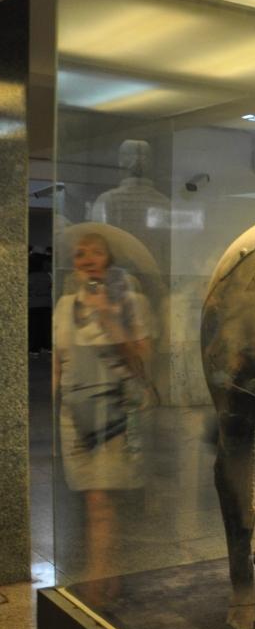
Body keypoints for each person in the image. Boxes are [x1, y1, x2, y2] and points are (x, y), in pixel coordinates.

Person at [53, 231, 154, 602]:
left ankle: (99, 579)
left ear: (109, 260)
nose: (88, 259)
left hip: (114, 410)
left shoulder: (131, 302)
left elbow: (143, 359)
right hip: (74, 415)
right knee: (91, 499)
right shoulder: (65, 305)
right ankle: (111, 573)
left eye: (97, 252)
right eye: (81, 253)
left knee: (99, 500)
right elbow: (59, 359)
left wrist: (110, 318)